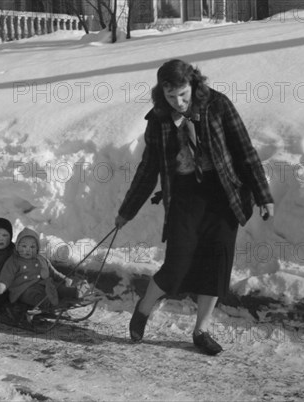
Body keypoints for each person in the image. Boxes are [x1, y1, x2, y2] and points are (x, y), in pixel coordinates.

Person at [115, 59, 274, 355]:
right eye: (171, 96)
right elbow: (148, 170)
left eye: (184, 95)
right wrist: (127, 210)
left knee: (216, 264)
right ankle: (145, 307)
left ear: (194, 85)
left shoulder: (218, 105)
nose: (178, 102)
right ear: (161, 93)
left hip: (224, 195)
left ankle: (201, 330)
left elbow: (244, 150)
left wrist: (263, 195)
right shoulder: (159, 119)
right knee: (178, 263)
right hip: (184, 197)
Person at [0, 227, 80, 312]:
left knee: (58, 287)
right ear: (17, 246)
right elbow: (7, 276)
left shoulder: (41, 259)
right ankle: (51, 305)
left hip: (44, 284)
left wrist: (64, 279)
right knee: (37, 297)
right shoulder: (14, 261)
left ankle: (75, 292)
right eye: (24, 246)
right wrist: (2, 286)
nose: (28, 250)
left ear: (37, 248)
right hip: (24, 289)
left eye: (32, 247)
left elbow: (53, 272)